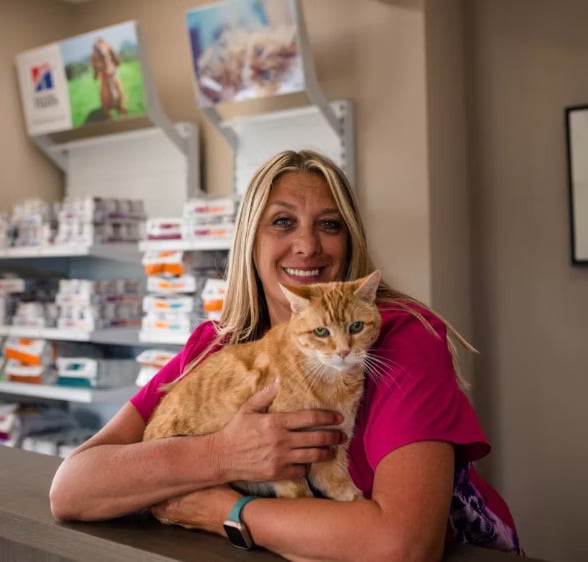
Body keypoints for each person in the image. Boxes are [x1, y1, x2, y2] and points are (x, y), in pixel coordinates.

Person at [50, 150, 522, 561]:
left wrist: (224, 511)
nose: (308, 245)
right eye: (282, 222)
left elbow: (401, 547)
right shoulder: (215, 346)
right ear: (250, 241)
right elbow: (72, 489)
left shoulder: (399, 339)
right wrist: (221, 454)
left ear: (350, 238)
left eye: (329, 224)